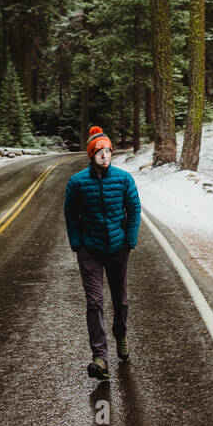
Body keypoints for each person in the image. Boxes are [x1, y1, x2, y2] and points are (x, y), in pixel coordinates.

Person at [64, 125, 141, 381]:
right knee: (95, 302)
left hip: (119, 248)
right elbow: (71, 215)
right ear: (91, 155)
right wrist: (78, 243)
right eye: (100, 152)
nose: (105, 156)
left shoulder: (123, 179)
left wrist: (129, 240)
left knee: (120, 300)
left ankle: (121, 336)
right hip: (91, 251)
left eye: (108, 151)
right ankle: (100, 358)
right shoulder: (77, 183)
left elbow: (134, 209)